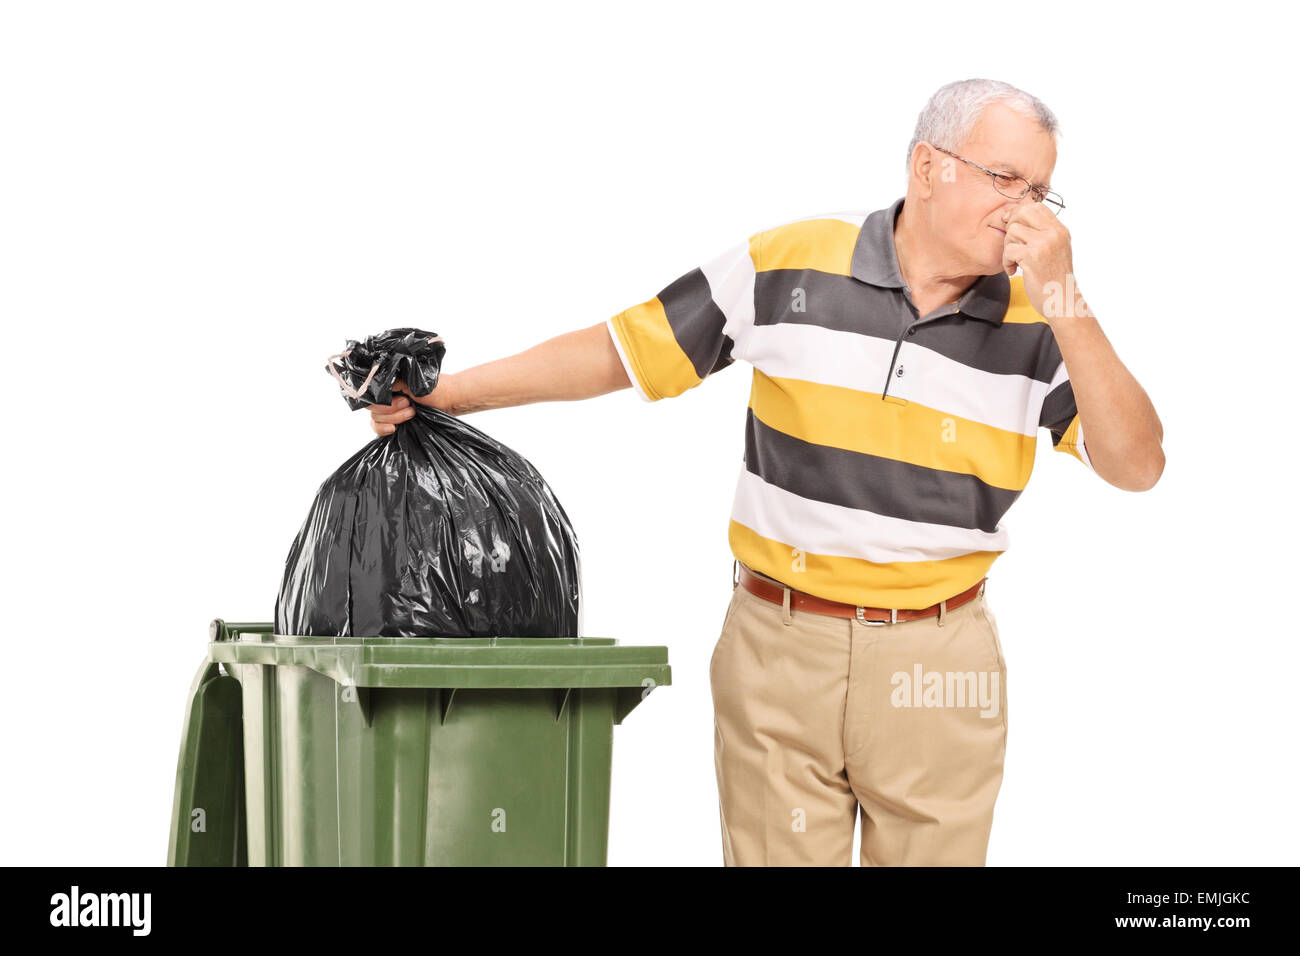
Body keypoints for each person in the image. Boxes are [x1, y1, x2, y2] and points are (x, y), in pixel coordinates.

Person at [367, 78, 1165, 866]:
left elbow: (1136, 465)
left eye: (1043, 194)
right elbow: (622, 351)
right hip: (778, 649)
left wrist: (1064, 299)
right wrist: (448, 396)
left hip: (939, 663)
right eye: (1005, 179)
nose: (1025, 212)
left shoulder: (1044, 316)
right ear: (928, 167)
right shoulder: (788, 263)